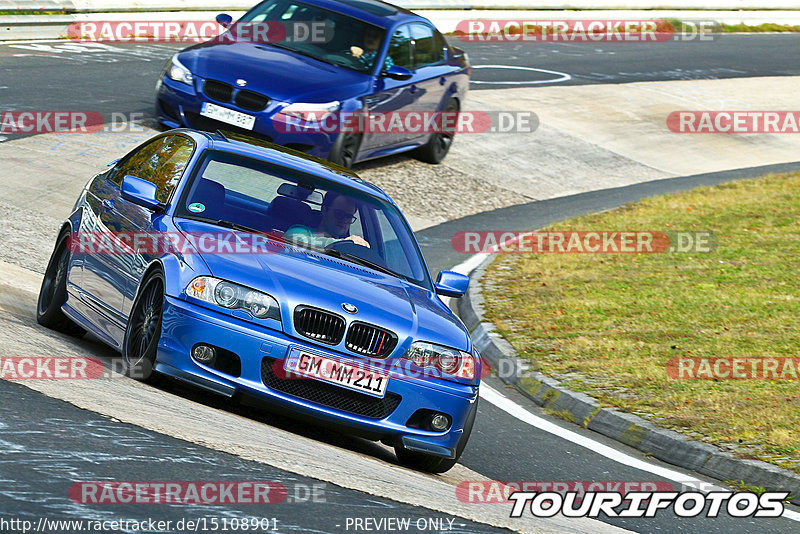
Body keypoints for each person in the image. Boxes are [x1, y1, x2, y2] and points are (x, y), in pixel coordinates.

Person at [284, 191, 370, 249]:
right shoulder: (302, 231)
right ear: (324, 210)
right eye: (339, 214)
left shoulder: (350, 246)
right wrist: (342, 243)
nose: (344, 220)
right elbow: (292, 239)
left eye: (349, 216)